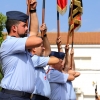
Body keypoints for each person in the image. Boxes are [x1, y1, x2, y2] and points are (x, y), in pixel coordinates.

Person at [0, 0, 43, 100]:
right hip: (13, 96)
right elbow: (37, 39)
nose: (26, 29)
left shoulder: (20, 44)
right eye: (24, 26)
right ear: (14, 28)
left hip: (22, 97)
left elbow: (33, 33)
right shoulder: (10, 43)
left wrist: (33, 10)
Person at [29, 23, 60, 100]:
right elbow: (55, 60)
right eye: (41, 46)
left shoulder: (38, 59)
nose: (43, 48)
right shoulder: (34, 59)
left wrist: (44, 35)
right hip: (37, 97)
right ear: (34, 49)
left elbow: (48, 51)